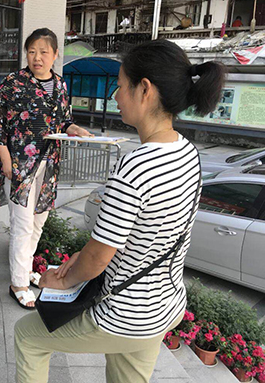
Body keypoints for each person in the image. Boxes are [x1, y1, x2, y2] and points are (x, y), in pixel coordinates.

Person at [14, 39, 226, 383]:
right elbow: (151, 233)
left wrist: (60, 279)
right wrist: (80, 259)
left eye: (121, 85)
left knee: (27, 336)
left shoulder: (135, 167)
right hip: (166, 307)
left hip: (125, 315)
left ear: (145, 90)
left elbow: (99, 257)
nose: (115, 96)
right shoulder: (188, 153)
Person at [0, 28, 93, 310]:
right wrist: (6, 162)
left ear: (55, 54)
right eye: (32, 51)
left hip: (50, 163)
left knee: (38, 222)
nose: (37, 57)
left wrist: (75, 129)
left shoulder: (60, 85)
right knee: (22, 224)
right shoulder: (12, 84)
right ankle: (18, 284)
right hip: (20, 165)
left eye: (44, 52)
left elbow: (64, 121)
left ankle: (24, 270)